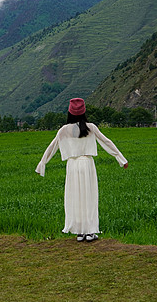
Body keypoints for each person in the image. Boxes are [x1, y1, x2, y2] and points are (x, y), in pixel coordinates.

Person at [35, 98, 128, 242]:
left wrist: (42, 164)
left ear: (69, 112)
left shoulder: (63, 130)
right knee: (89, 197)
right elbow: (106, 142)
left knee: (74, 198)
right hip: (87, 163)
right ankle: (90, 232)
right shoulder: (91, 127)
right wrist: (121, 158)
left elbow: (51, 148)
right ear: (84, 112)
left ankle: (79, 232)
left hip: (72, 166)